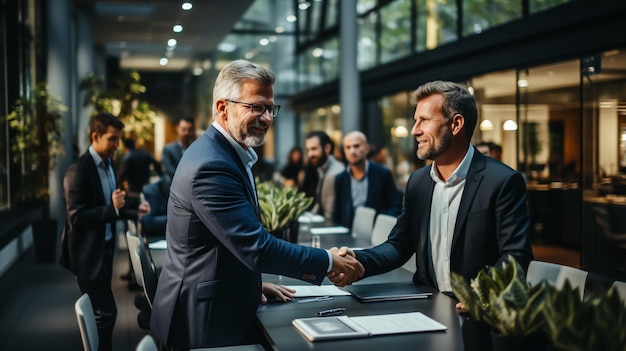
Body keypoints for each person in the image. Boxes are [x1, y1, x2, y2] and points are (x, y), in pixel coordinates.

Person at [149, 60, 364, 350]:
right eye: (255, 107)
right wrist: (327, 262)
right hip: (202, 323)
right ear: (223, 108)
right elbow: (256, 247)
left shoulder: (225, 153)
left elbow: (225, 243)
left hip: (212, 304)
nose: (265, 118)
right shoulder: (212, 165)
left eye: (270, 108)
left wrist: (251, 285)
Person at [329, 80, 533, 351]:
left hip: (477, 321)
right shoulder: (418, 182)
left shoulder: (502, 181)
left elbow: (516, 255)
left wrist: (481, 290)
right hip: (426, 309)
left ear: (456, 124)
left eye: (424, 120)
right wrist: (359, 261)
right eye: (415, 121)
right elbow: (400, 245)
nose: (415, 130)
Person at [59, 112, 150, 351]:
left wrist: (133, 210)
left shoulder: (109, 163)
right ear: (95, 136)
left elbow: (114, 205)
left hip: (105, 248)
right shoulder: (77, 171)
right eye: (112, 139)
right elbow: (77, 218)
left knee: (103, 314)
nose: (117, 145)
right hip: (88, 254)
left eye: (119, 139)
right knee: (107, 313)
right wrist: (113, 208)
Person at [333, 131, 402, 229]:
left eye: (356, 146)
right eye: (348, 147)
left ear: (366, 149)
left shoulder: (382, 173)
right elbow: (337, 212)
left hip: (376, 233)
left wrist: (383, 225)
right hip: (348, 235)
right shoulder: (340, 178)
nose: (352, 151)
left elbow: (396, 205)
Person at [302, 130, 344, 219]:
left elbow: (330, 213)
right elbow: (318, 205)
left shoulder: (335, 173)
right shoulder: (321, 168)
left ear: (327, 148)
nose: (310, 154)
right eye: (308, 150)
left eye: (314, 149)